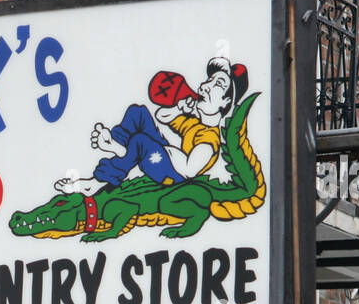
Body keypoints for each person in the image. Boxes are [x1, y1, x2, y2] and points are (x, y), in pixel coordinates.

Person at [54, 56, 249, 198]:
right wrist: (179, 108)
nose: (205, 86)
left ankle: (100, 178)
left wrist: (164, 151)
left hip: (170, 174)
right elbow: (161, 116)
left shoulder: (209, 141)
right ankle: (119, 147)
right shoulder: (193, 122)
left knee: (139, 141)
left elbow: (188, 171)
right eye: (209, 80)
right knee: (137, 113)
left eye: (218, 84)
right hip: (163, 154)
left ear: (225, 103)